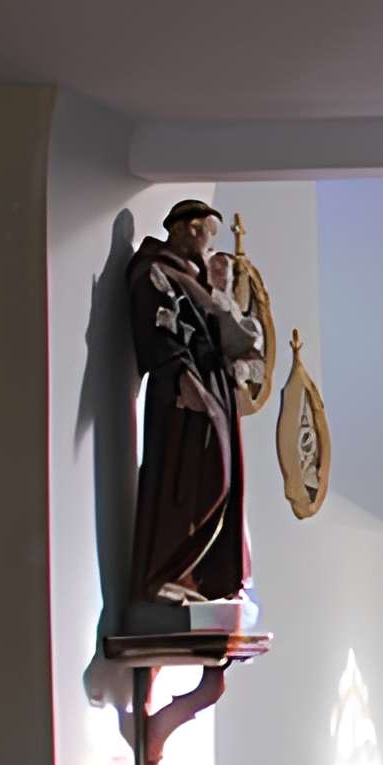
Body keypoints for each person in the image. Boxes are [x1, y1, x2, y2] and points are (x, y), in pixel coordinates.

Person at [126, 198, 266, 614]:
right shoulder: (156, 270)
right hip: (182, 392)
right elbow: (158, 329)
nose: (209, 247)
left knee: (220, 479)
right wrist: (183, 375)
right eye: (207, 234)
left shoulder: (197, 278)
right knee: (187, 479)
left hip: (213, 385)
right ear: (188, 228)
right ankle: (165, 574)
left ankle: (200, 576)